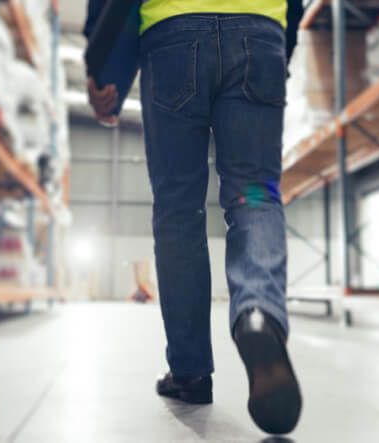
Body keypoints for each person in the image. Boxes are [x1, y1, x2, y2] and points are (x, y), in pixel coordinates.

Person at [86, 0, 304, 435]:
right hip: (260, 30)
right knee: (254, 194)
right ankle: (258, 312)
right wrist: (282, 39)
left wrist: (102, 64)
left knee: (177, 211)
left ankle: (189, 371)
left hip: (173, 33)